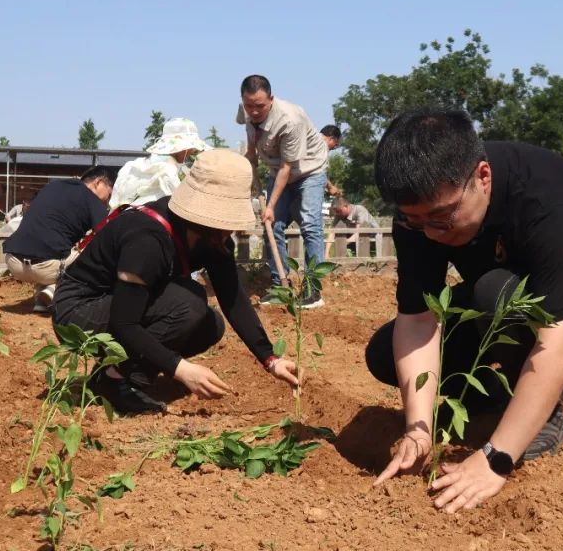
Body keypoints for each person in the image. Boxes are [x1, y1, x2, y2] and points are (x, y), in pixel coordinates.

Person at [366, 110, 563, 513]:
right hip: (499, 296)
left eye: (442, 217)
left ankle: (547, 420)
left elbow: (559, 340)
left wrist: (496, 458)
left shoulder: (542, 195)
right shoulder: (422, 210)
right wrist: (419, 430)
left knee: (496, 296)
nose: (429, 233)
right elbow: (419, 318)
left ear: (482, 177)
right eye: (414, 220)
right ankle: (494, 403)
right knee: (384, 351)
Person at [53, 149, 300, 414]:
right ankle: (113, 382)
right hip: (77, 311)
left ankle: (119, 374)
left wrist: (270, 359)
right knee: (189, 301)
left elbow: (232, 297)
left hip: (117, 305)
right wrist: (181, 368)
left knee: (210, 324)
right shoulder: (148, 239)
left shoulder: (211, 236)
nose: (231, 229)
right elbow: (124, 323)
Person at [238, 74, 329, 308]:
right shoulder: (247, 109)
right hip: (277, 169)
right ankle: (280, 286)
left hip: (309, 169)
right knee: (273, 226)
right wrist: (251, 154)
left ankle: (313, 290)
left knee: (309, 224)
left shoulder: (290, 119)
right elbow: (250, 133)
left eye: (259, 106)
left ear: (271, 99)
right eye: (249, 105)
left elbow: (288, 167)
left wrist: (269, 206)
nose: (254, 111)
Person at [3, 167, 114, 312]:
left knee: (54, 244)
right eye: (109, 194)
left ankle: (43, 297)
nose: (108, 200)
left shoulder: (53, 186)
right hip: (47, 267)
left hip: (13, 262)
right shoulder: (92, 199)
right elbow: (108, 236)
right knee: (93, 248)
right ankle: (54, 289)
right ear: (98, 182)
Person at [110, 117, 210, 209]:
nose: (192, 151)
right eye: (192, 148)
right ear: (185, 148)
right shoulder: (169, 171)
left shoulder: (132, 166)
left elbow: (115, 203)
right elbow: (179, 205)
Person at [321, 124, 344, 197]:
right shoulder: (321, 147)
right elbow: (318, 171)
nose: (335, 147)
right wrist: (330, 187)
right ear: (331, 138)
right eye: (336, 144)